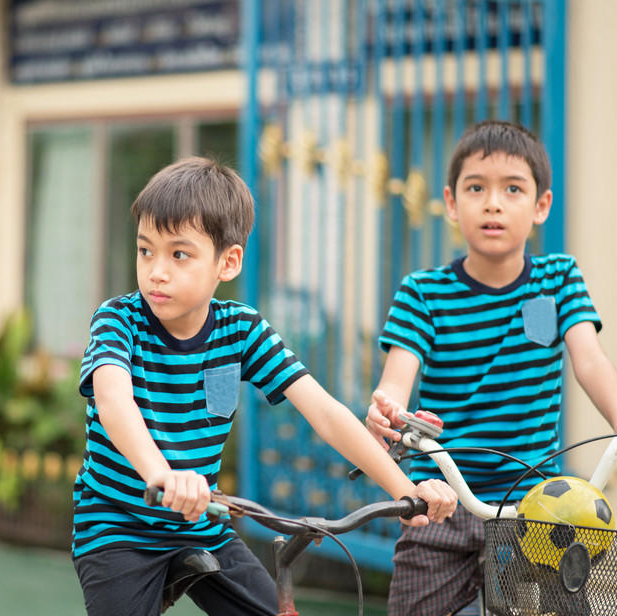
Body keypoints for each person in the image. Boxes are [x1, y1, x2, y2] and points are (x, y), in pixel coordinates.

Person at [73, 156, 458, 615]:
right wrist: (162, 474)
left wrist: (405, 489)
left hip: (199, 523)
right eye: (145, 250)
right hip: (118, 526)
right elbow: (115, 403)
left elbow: (327, 414)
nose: (157, 270)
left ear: (228, 262)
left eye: (179, 254)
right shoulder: (119, 320)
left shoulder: (241, 331)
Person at [365, 119, 617, 616]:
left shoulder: (558, 279)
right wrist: (389, 411)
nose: (493, 202)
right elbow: (396, 382)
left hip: (538, 508)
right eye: (476, 188)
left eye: (513, 189)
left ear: (540, 207)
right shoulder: (422, 293)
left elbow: (589, 358)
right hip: (442, 499)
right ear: (451, 202)